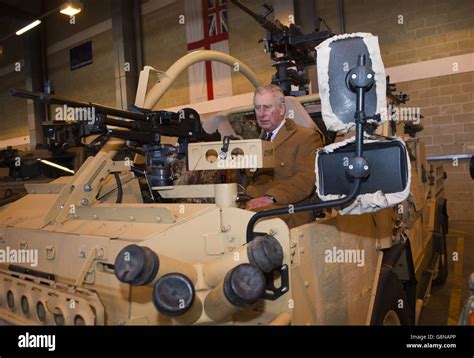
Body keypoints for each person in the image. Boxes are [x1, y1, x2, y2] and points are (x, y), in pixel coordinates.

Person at [245, 84, 325, 228]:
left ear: (281, 109)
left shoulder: (306, 137)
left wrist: (271, 198)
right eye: (257, 108)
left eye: (267, 107)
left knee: (251, 221)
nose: (261, 114)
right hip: (256, 203)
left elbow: (305, 180)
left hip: (291, 208)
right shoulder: (257, 143)